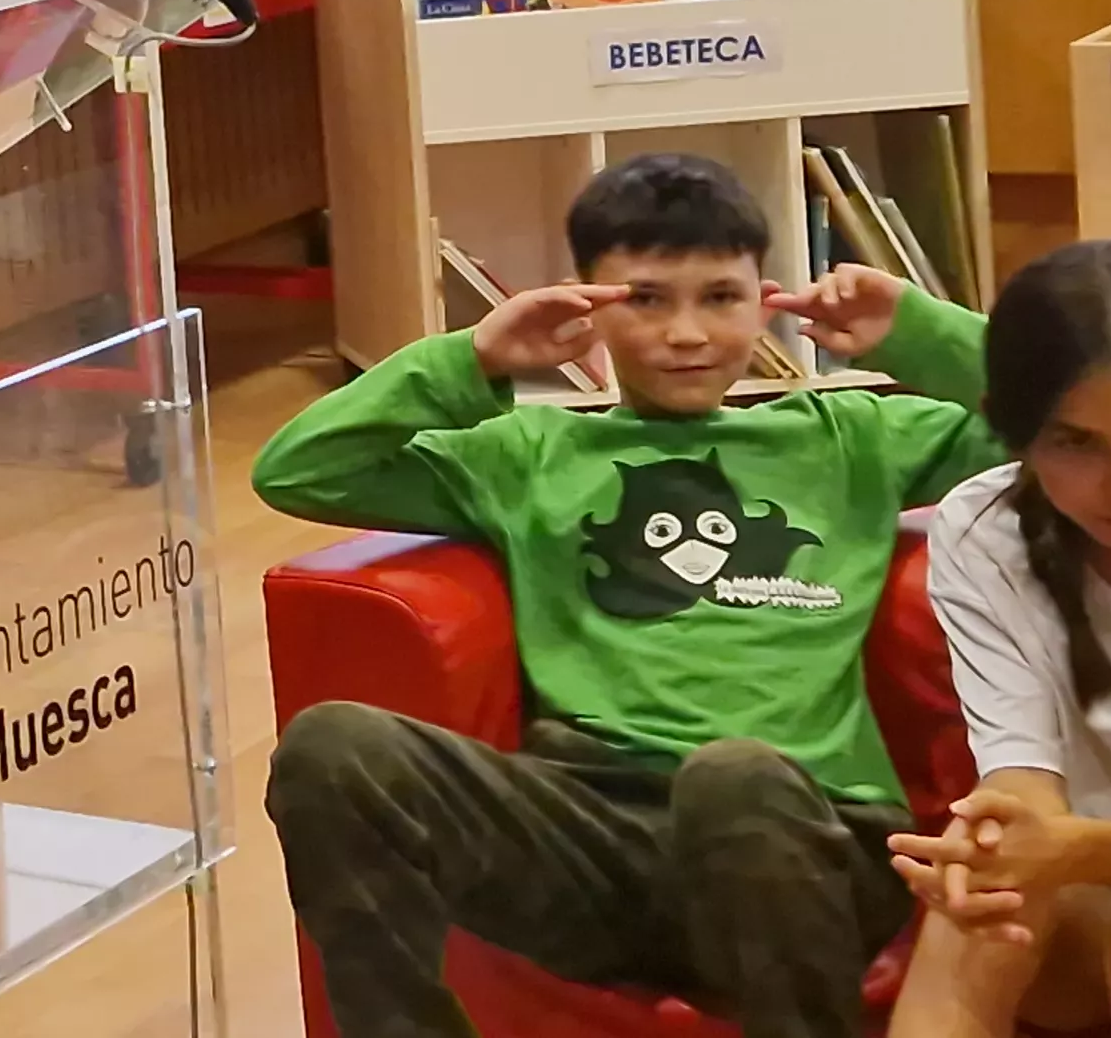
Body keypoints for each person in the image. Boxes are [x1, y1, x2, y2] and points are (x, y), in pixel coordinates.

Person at [255, 151, 1004, 1038]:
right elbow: (298, 469)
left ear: (765, 297)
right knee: (332, 747)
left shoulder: (848, 434)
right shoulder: (528, 452)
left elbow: (1052, 416)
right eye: (647, 300)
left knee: (734, 777)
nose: (687, 333)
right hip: (601, 834)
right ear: (588, 307)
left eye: (720, 297)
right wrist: (474, 356)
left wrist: (915, 328)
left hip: (810, 840)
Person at [891, 239, 1111, 1035]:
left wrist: (1064, 849)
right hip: (1091, 891)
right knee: (985, 903)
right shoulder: (982, 528)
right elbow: (1021, 774)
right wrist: (995, 849)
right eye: (1076, 443)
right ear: (1018, 437)